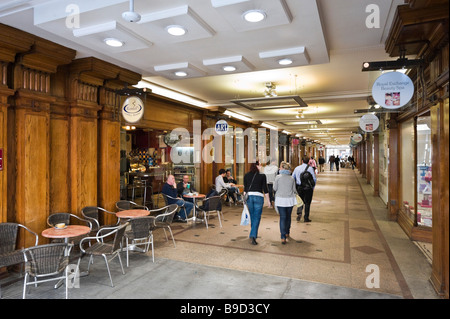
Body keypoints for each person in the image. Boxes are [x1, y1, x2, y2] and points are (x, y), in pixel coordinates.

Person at [243, 161, 271, 245]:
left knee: (252, 216)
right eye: (260, 165)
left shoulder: (246, 175)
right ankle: (253, 235)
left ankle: (253, 233)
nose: (261, 166)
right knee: (257, 217)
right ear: (257, 166)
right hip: (259, 197)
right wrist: (269, 201)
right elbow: (265, 190)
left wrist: (244, 200)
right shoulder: (262, 176)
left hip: (249, 197)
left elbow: (245, 189)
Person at [273, 162, 297, 244]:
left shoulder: (278, 177)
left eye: (280, 167)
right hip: (290, 200)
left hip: (280, 200)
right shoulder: (292, 178)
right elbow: (294, 190)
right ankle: (287, 232)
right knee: (288, 217)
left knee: (282, 217)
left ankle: (283, 237)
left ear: (282, 168)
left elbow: (274, 188)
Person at [292, 157, 317, 223]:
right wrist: (313, 187)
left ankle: (299, 213)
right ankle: (306, 217)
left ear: (302, 161)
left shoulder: (297, 168)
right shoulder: (310, 168)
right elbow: (314, 179)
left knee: (300, 201)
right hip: (308, 188)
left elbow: (293, 177)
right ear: (308, 161)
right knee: (307, 203)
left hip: (299, 187)